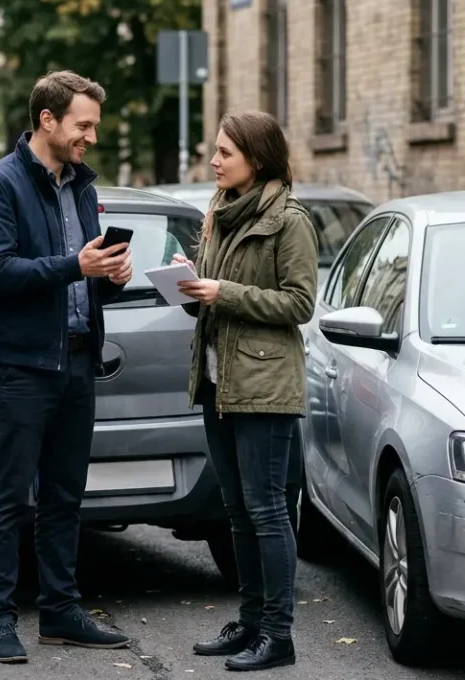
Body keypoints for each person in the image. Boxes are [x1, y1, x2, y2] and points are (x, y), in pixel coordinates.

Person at [0, 70, 134, 665]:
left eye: (93, 125)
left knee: (65, 496)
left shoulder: (82, 188)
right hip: (20, 366)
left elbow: (82, 276)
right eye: (83, 125)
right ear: (48, 120)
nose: (91, 136)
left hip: (77, 359)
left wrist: (110, 277)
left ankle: (61, 612)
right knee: (8, 495)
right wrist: (75, 267)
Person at [176, 110, 319, 672]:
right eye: (214, 151)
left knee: (266, 510)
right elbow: (212, 297)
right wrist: (189, 286)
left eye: (223, 154)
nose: (213, 161)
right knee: (236, 508)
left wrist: (224, 292)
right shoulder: (220, 212)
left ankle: (278, 636)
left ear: (255, 160)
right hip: (218, 381)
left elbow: (300, 304)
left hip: (265, 384)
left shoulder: (289, 220)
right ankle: (251, 621)